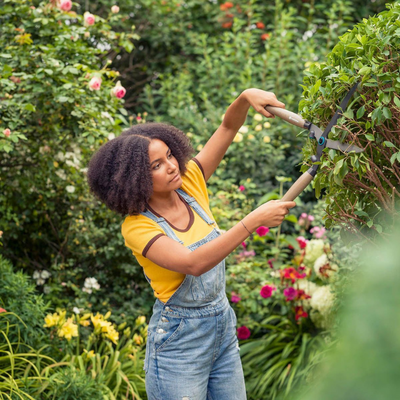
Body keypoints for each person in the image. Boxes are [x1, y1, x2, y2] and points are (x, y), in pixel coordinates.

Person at [87, 88, 296, 400]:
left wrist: (243, 98)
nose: (172, 166)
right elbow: (193, 264)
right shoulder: (137, 227)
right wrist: (253, 220)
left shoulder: (191, 183)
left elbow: (227, 128)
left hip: (222, 328)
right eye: (156, 165)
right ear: (136, 178)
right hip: (179, 342)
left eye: (169, 155)